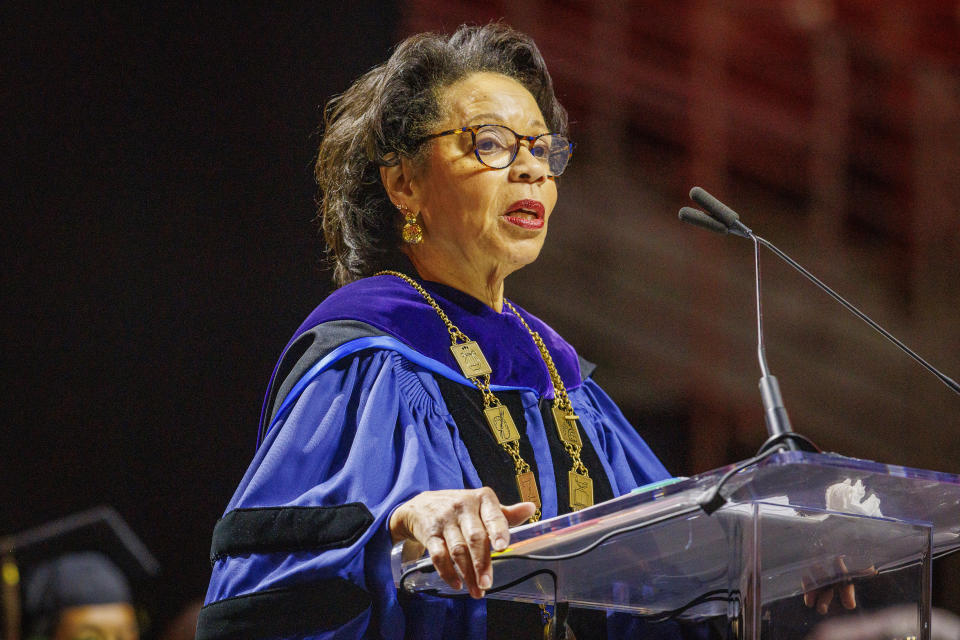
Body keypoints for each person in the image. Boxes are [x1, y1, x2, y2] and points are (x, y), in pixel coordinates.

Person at [197, 23, 671, 640]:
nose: (530, 169)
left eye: (541, 148)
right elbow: (258, 588)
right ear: (403, 183)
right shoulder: (367, 355)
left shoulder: (561, 374)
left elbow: (675, 542)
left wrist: (797, 549)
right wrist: (395, 525)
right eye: (491, 144)